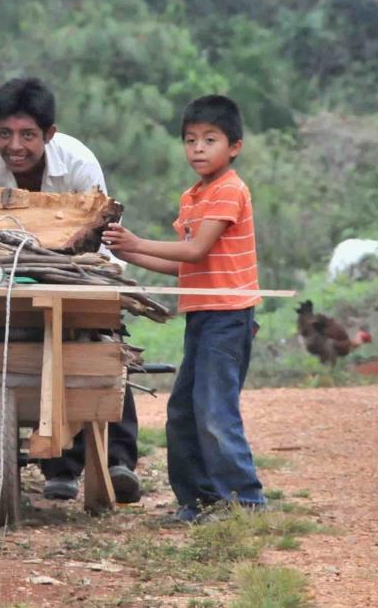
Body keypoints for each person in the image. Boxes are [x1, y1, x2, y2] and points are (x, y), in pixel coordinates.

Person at [0, 77, 142, 503]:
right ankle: (59, 465)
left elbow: (97, 231)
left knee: (100, 340)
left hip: (73, 269)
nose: (14, 146)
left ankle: (117, 458)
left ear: (50, 134)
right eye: (5, 134)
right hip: (1, 275)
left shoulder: (77, 163)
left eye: (28, 135)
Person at [102, 94, 265, 523]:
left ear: (235, 147)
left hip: (228, 318)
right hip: (202, 315)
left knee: (215, 412)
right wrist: (128, 254)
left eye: (210, 139)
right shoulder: (194, 195)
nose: (198, 148)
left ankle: (245, 501)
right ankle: (199, 501)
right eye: (190, 139)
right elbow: (181, 264)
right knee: (183, 412)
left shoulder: (229, 190)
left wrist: (137, 242)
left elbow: (195, 249)